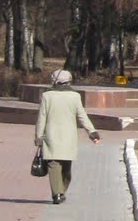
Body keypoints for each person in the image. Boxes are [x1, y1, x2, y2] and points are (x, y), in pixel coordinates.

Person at [34, 69, 100, 204]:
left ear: (55, 81)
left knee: (55, 165)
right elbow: (82, 116)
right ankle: (58, 193)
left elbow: (41, 118)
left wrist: (39, 136)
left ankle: (59, 192)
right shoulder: (74, 96)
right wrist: (92, 132)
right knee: (62, 166)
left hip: (50, 135)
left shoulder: (47, 96)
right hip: (69, 137)